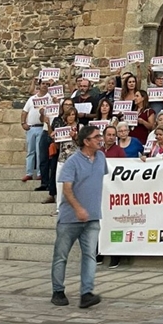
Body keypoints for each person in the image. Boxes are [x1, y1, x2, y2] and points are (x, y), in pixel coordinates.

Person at [50, 126, 106, 309]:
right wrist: (78, 208)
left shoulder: (101, 158)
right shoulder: (72, 162)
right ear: (86, 141)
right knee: (61, 255)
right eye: (96, 136)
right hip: (69, 218)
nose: (101, 139)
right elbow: (67, 188)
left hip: (92, 217)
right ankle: (58, 291)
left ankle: (86, 293)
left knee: (90, 255)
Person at [97, 126, 124, 269]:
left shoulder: (119, 151)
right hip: (99, 191)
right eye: (109, 134)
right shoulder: (98, 151)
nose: (112, 137)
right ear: (104, 136)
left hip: (114, 192)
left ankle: (115, 257)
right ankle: (98, 254)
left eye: (114, 135)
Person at [51, 107, 82, 208]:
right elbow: (57, 147)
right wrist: (54, 139)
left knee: (76, 185)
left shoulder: (80, 127)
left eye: (73, 115)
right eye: (69, 115)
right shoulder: (61, 129)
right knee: (59, 184)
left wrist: (75, 136)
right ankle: (59, 207)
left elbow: (82, 144)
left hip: (75, 160)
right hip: (62, 159)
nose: (71, 117)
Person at [21, 79, 51, 182]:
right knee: (31, 151)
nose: (45, 86)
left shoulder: (50, 98)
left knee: (40, 151)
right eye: (43, 83)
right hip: (31, 127)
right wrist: (23, 123)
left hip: (42, 127)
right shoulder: (32, 99)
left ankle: (40, 173)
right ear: (39, 85)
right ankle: (29, 172)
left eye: (47, 84)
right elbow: (25, 111)